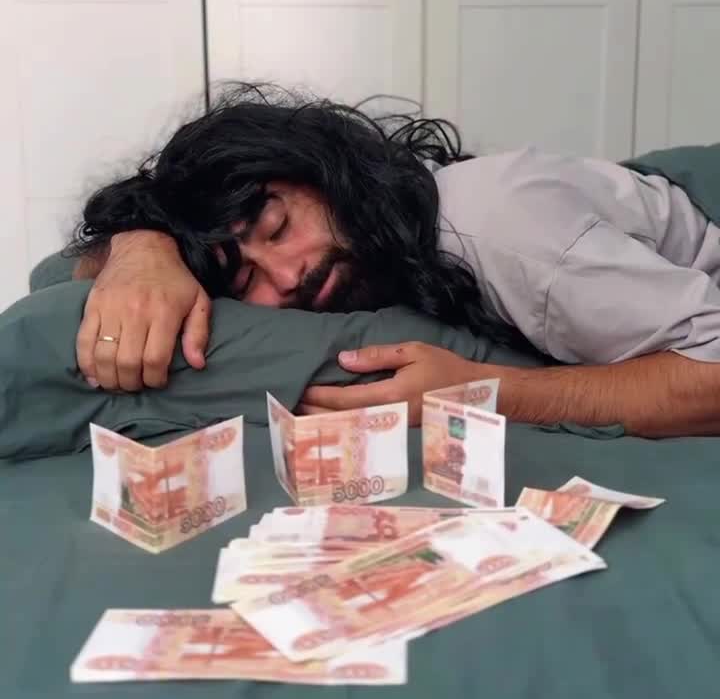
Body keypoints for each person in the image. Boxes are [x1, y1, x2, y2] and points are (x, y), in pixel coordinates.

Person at [67, 83, 720, 438]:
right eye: (247, 279)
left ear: (325, 172)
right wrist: (140, 250)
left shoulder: (509, 237)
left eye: (280, 227)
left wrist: (482, 395)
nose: (289, 276)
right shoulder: (381, 243)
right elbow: (69, 272)